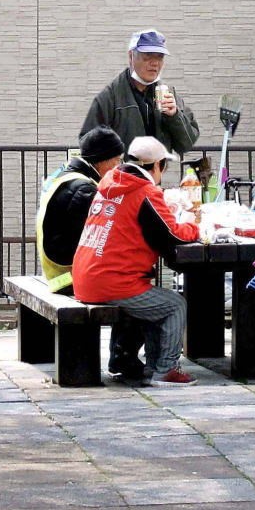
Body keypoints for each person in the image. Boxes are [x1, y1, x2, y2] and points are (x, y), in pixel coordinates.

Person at [72, 136, 202, 387]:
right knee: (175, 305)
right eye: (164, 166)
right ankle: (166, 370)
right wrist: (196, 228)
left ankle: (153, 366)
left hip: (87, 275)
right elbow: (172, 234)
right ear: (157, 165)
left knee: (157, 303)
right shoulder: (145, 192)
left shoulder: (109, 184)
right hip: (112, 281)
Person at [80, 28, 200, 156]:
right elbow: (88, 144)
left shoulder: (168, 94)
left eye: (159, 57)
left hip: (155, 175)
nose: (154, 63)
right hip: (122, 175)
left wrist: (174, 116)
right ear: (131, 56)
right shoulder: (111, 96)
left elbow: (186, 144)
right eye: (147, 56)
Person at [35, 126, 125, 293]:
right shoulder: (84, 189)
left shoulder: (64, 175)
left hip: (55, 276)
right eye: (117, 160)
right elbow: (97, 240)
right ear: (103, 159)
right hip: (69, 278)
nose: (119, 167)